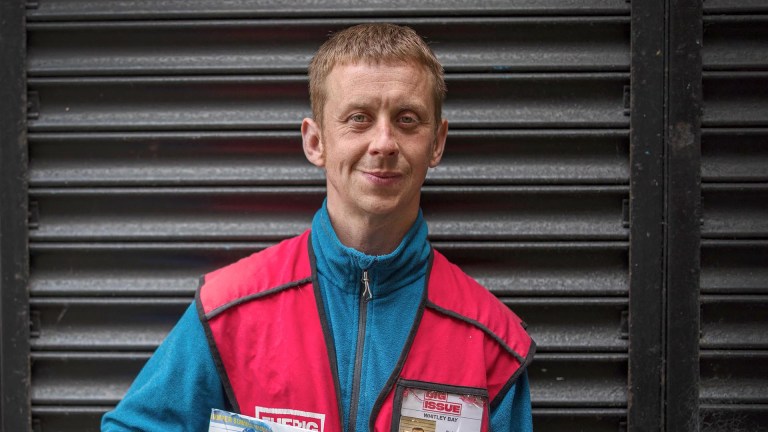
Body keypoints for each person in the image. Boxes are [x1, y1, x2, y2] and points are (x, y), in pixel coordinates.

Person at [102, 23, 534, 432]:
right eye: (358, 118)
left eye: (406, 119)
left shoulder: (490, 343)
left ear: (436, 142)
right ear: (315, 141)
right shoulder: (229, 313)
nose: (383, 143)